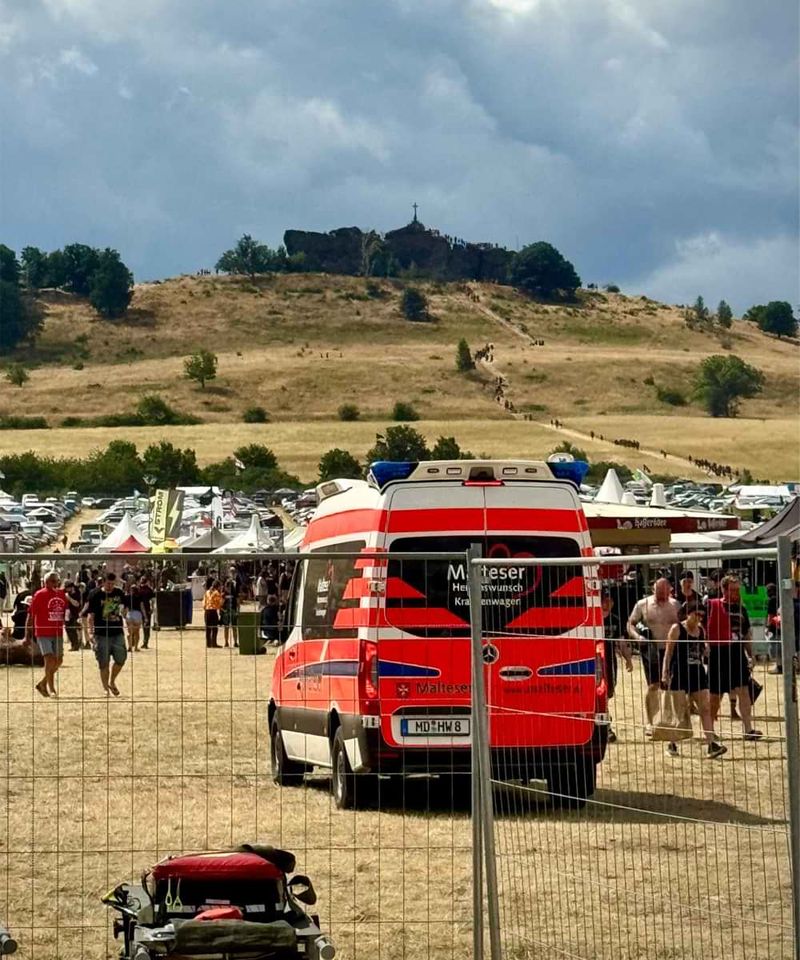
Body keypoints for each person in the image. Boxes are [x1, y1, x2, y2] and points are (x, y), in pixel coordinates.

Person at [661, 606, 727, 759]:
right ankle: (672, 743)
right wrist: (665, 672)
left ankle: (711, 744)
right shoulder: (677, 628)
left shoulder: (701, 630)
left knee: (705, 708)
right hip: (679, 672)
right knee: (679, 710)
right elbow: (668, 651)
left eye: (702, 615)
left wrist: (705, 651)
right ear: (688, 613)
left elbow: (703, 650)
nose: (699, 618)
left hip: (697, 672)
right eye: (697, 614)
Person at [705, 575, 762, 740]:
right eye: (733, 590)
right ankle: (710, 731)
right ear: (723, 589)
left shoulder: (741, 609)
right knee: (715, 695)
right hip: (718, 653)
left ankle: (748, 730)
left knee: (744, 691)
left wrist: (751, 655)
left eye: (738, 590)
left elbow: (746, 635)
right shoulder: (712, 606)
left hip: (736, 654)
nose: (736, 593)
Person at [627, 577, 680, 737]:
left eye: (665, 591)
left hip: (671, 650)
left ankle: (670, 721)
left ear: (670, 590)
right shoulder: (642, 604)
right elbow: (630, 624)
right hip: (651, 649)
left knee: (672, 686)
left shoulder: (675, 605)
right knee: (653, 685)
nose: (662, 595)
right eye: (659, 591)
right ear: (653, 590)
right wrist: (637, 637)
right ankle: (650, 722)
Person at [82, 572, 128, 696]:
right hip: (101, 633)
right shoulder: (95, 594)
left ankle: (112, 682)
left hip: (117, 631)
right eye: (108, 583)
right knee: (104, 661)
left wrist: (124, 612)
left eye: (113, 584)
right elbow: (90, 616)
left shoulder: (119, 593)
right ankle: (105, 689)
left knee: (121, 658)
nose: (110, 586)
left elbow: (124, 608)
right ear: (103, 582)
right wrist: (90, 633)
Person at [26, 572, 68, 698]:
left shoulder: (61, 594)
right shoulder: (39, 594)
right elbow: (31, 614)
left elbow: (65, 611)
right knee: (49, 660)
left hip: (58, 632)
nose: (56, 584)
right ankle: (52, 689)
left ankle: (43, 683)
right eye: (53, 581)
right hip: (43, 632)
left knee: (59, 660)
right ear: (46, 582)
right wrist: (27, 634)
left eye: (57, 581)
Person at [601, 588, 633, 743]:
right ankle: (606, 726)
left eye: (609, 601)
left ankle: (604, 721)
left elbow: (621, 641)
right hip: (593, 660)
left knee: (607, 693)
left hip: (609, 660)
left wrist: (628, 659)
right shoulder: (591, 618)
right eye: (604, 600)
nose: (607, 604)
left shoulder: (615, 620)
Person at [63, 579, 83, 651]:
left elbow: (77, 604)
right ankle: (74, 644)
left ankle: (76, 645)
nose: (66, 589)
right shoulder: (65, 591)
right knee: (68, 629)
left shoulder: (77, 593)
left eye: (67, 588)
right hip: (67, 613)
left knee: (73, 629)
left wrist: (69, 598)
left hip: (75, 613)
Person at [125, 581, 145, 652]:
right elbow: (142, 607)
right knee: (137, 633)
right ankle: (136, 647)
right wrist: (145, 616)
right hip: (137, 614)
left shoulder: (127, 597)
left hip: (130, 614)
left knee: (130, 632)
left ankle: (130, 646)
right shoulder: (139, 597)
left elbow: (126, 608)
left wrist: (125, 616)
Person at [203, 579, 223, 648]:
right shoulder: (217, 593)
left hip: (207, 611)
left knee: (208, 628)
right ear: (217, 586)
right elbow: (220, 603)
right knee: (214, 628)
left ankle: (208, 644)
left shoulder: (207, 592)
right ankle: (214, 643)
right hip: (213, 611)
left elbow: (204, 603)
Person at [221, 573, 240, 648]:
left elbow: (238, 603)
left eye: (228, 586)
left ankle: (235, 642)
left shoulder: (235, 594)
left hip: (233, 611)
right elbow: (220, 604)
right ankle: (226, 642)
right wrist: (223, 610)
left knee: (234, 628)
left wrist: (238, 611)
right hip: (226, 612)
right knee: (226, 628)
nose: (227, 588)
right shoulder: (223, 594)